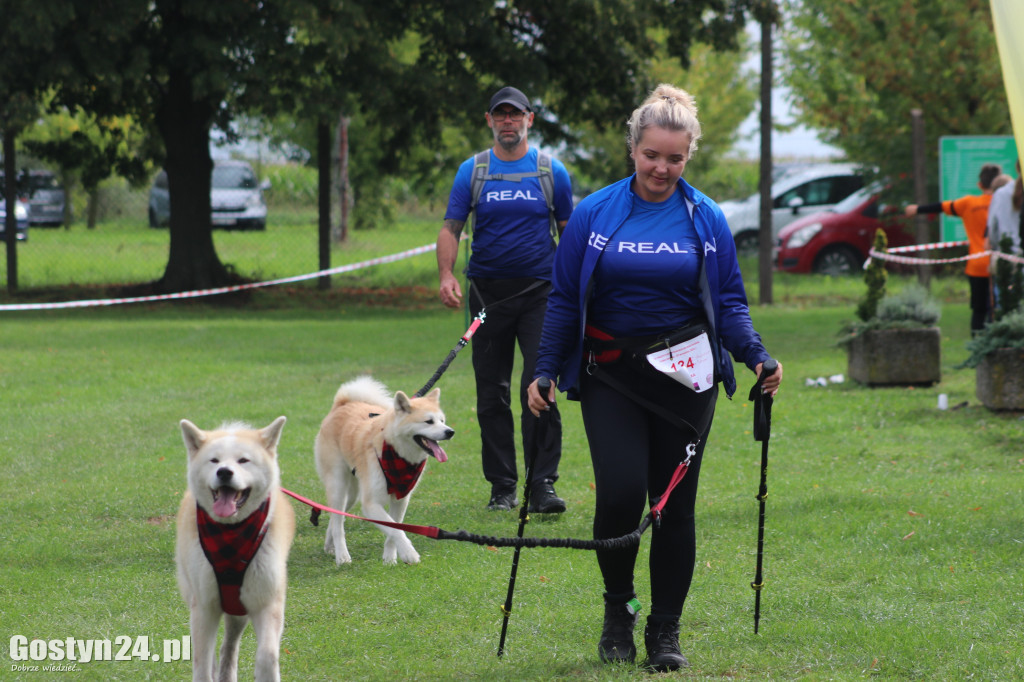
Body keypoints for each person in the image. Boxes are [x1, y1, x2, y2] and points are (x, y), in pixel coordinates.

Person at [526, 84, 783, 671]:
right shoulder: (595, 212)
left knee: (674, 508)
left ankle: (665, 631)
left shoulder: (706, 217)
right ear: (633, 149)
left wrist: (756, 357)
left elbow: (731, 302)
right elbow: (565, 299)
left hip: (685, 380)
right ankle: (620, 610)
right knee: (618, 495)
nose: (662, 168)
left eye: (675, 158)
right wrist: (544, 369)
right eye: (652, 155)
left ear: (688, 156)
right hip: (610, 376)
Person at [436, 86, 575, 513]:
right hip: (485, 296)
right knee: (490, 393)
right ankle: (502, 487)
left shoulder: (552, 172)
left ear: (530, 119)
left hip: (541, 296)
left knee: (540, 386)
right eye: (501, 115)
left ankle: (542, 486)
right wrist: (445, 274)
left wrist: (575, 287)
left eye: (516, 115)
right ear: (490, 120)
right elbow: (451, 227)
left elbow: (569, 233)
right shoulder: (472, 171)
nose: (508, 122)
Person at [905, 163, 1002, 335]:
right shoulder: (1006, 203)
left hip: (977, 264)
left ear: (980, 185)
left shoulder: (968, 203)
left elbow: (941, 207)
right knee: (999, 309)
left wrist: (917, 209)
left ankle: (978, 348)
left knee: (979, 311)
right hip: (1002, 264)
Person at [986, 161, 1022, 256]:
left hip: (1008, 254)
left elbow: (993, 226)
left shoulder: (1001, 193)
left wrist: (994, 247)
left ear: (1017, 168)